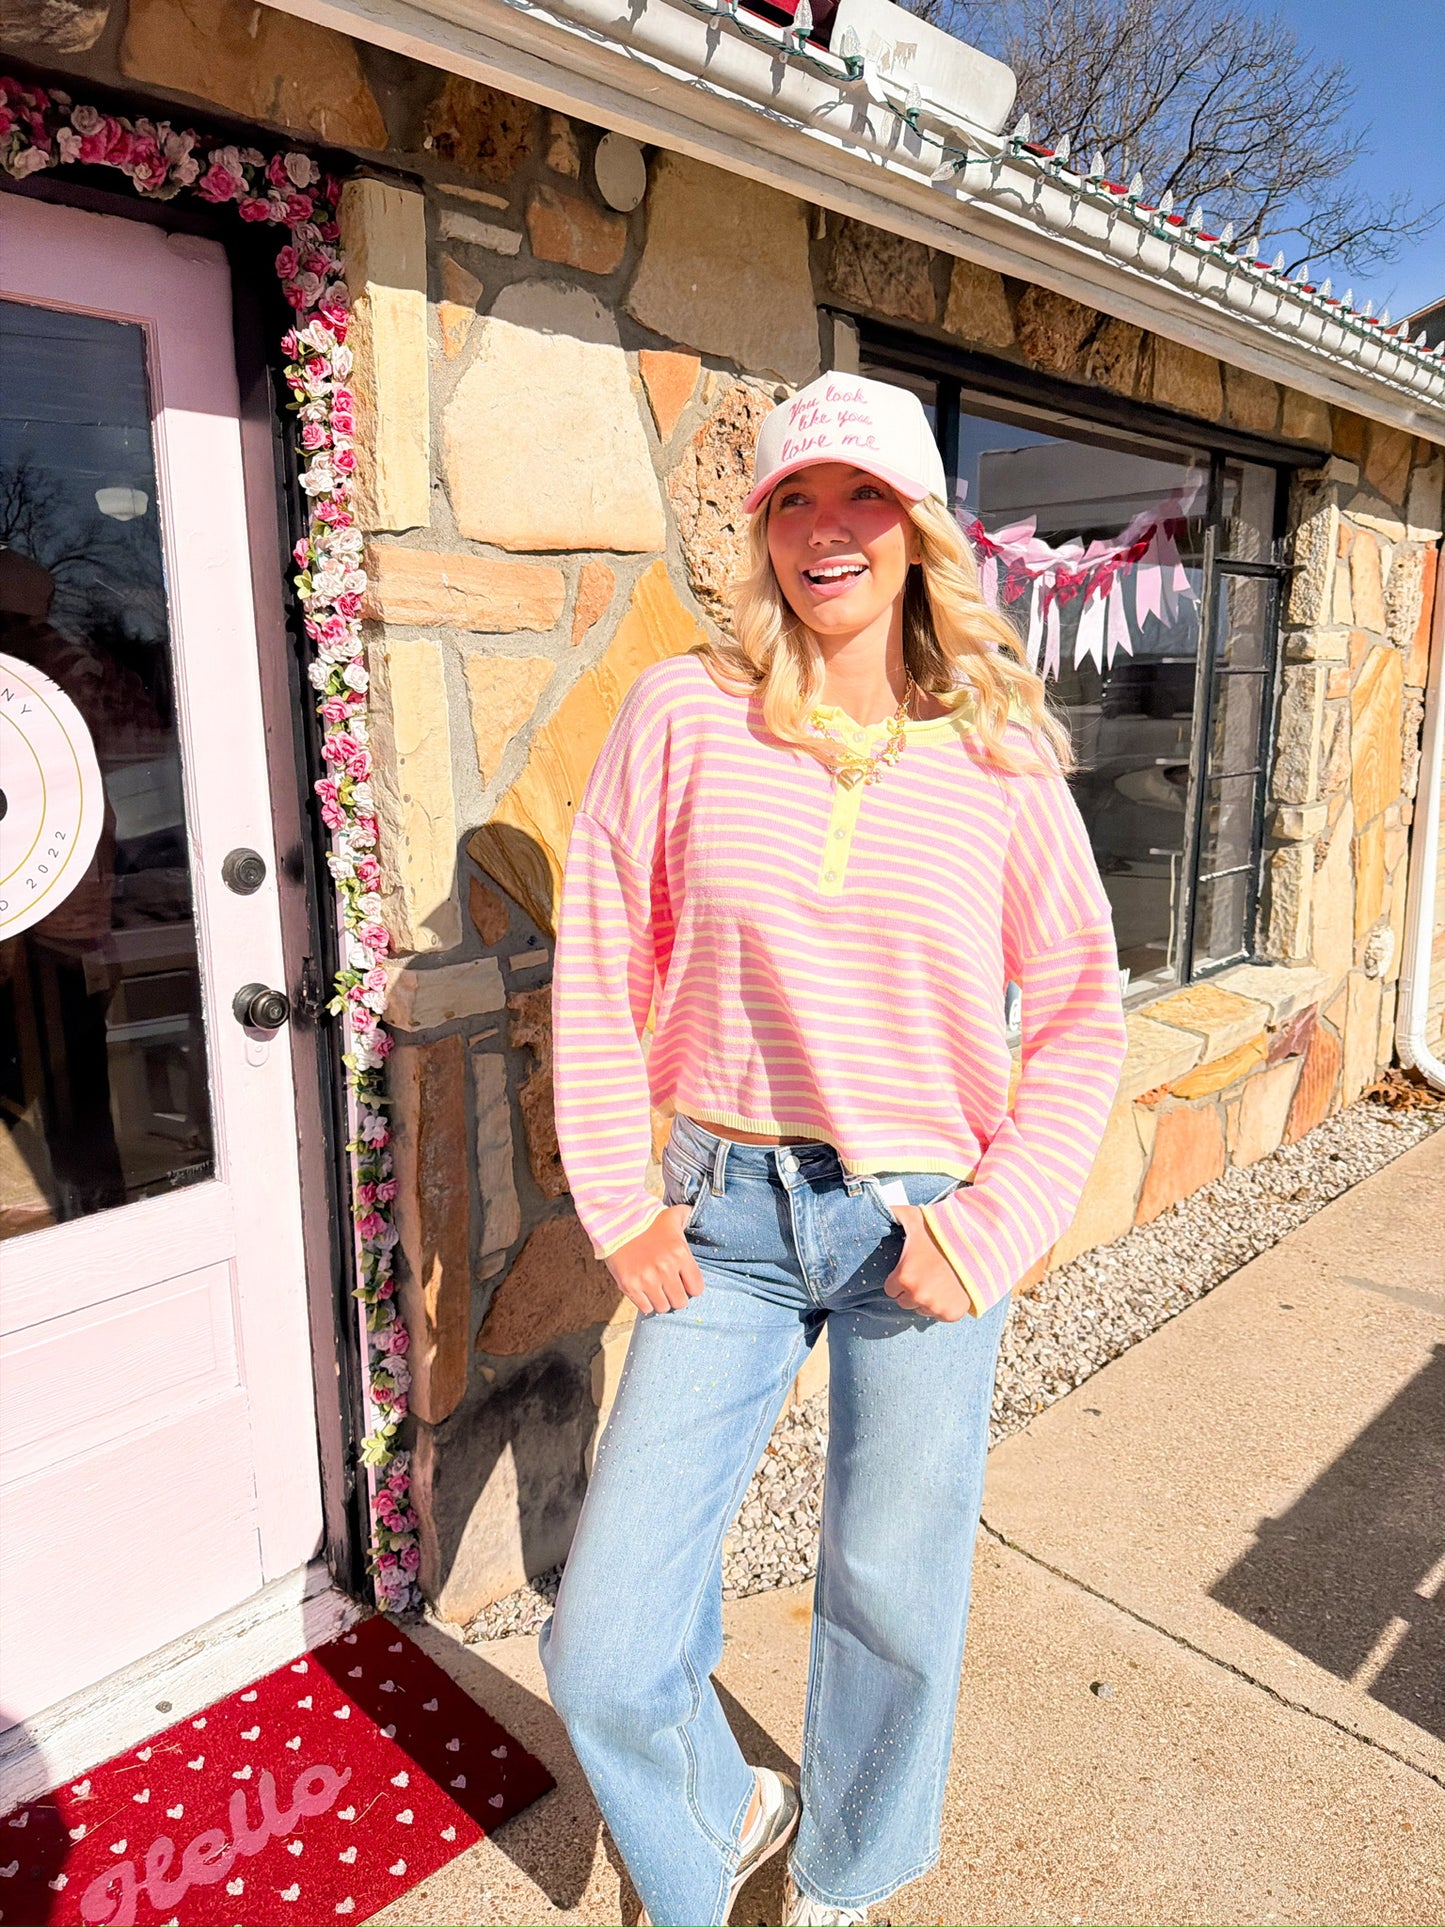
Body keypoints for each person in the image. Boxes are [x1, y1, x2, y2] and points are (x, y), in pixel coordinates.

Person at [539, 372, 1128, 1927]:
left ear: (919, 527)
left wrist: (988, 1228)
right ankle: (715, 1821)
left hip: (917, 1226)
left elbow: (1080, 1017)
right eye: (794, 498)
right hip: (720, 1216)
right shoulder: (682, 714)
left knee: (889, 1592)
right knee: (601, 1638)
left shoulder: (997, 755)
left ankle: (850, 1871)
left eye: (860, 496)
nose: (824, 529)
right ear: (760, 530)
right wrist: (616, 1200)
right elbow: (600, 963)